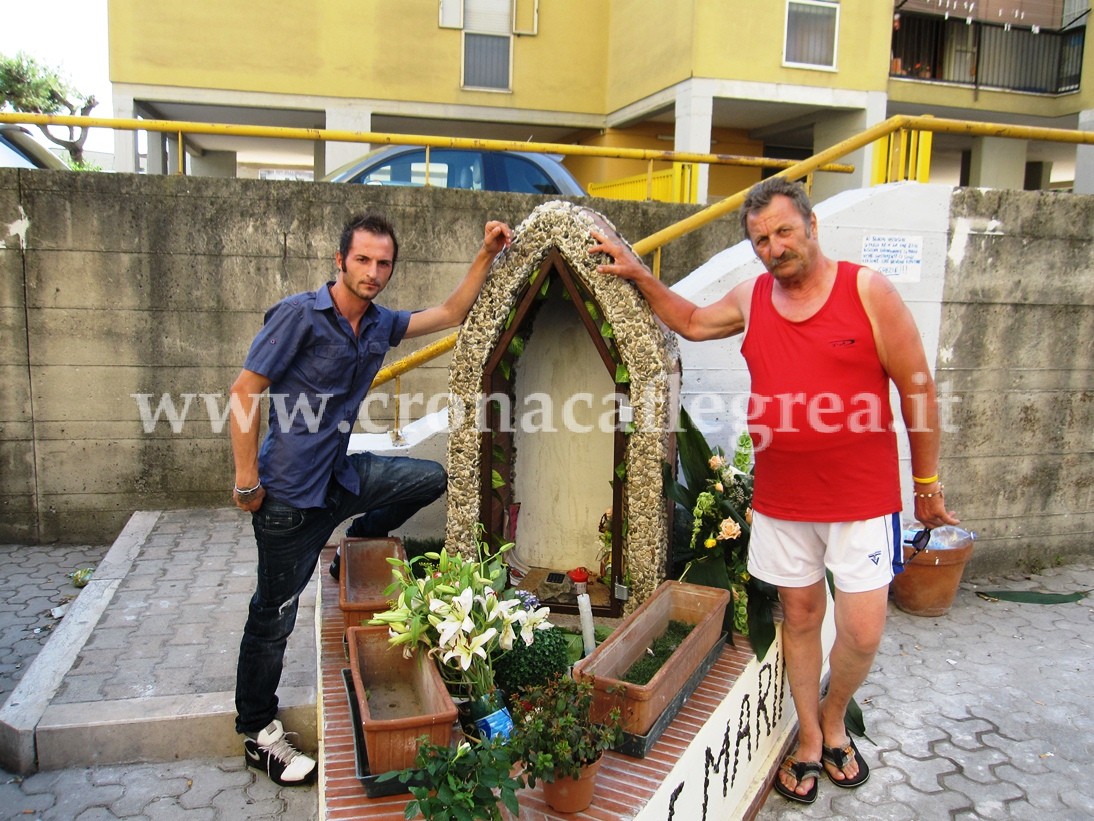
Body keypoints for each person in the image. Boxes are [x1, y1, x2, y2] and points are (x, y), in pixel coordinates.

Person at [590, 177, 959, 805]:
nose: (774, 247)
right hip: (785, 500)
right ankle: (813, 738)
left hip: (863, 500)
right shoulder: (753, 297)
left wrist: (925, 484)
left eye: (784, 232)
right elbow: (691, 321)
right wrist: (636, 274)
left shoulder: (868, 291)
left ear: (812, 227)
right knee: (802, 617)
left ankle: (836, 714)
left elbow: (917, 387)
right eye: (761, 239)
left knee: (864, 630)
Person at [228, 212, 512, 786]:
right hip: (285, 498)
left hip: (339, 479)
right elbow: (244, 391)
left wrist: (486, 253)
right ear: (341, 260)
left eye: (383, 263)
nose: (373, 272)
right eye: (363, 260)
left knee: (426, 478)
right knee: (274, 616)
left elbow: (451, 313)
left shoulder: (381, 324)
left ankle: (352, 546)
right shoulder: (299, 316)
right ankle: (258, 732)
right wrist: (245, 481)